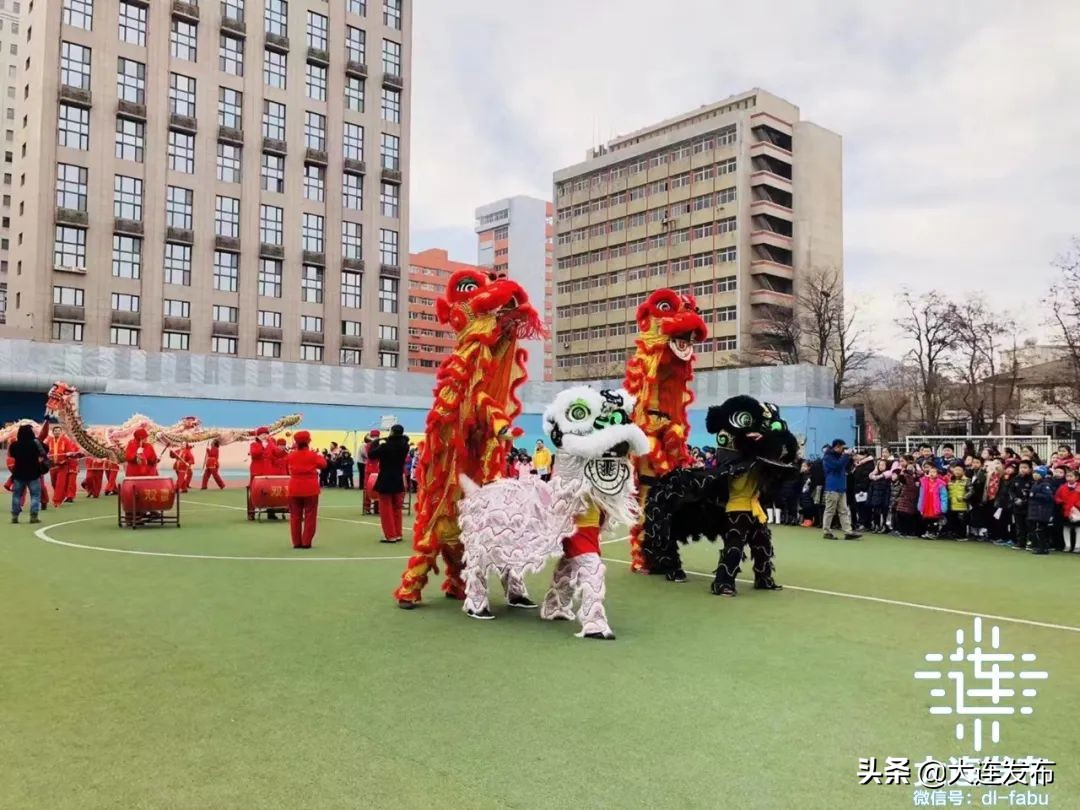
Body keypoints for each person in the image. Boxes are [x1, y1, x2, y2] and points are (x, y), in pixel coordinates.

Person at [369, 424, 410, 544]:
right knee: (397, 507)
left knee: (386, 508)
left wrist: (376, 441)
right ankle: (398, 533)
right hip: (398, 477)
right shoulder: (405, 446)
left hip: (386, 478)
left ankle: (390, 535)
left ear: (392, 432)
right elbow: (404, 440)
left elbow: (371, 455)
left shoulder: (385, 446)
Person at [285, 431, 327, 549]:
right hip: (310, 488)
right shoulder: (313, 455)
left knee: (295, 516)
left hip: (294, 487)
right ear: (308, 441)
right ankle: (306, 541)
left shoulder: (291, 455)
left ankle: (296, 542)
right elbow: (323, 464)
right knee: (310, 515)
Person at [7, 424, 47, 524]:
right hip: (34, 473)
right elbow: (45, 450)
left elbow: (11, 455)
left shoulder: (14, 445)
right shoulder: (36, 443)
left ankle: (15, 516)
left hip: (19, 473)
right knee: (35, 495)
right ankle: (33, 516)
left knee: (16, 495)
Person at [821, 438, 860, 540]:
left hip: (841, 487)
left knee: (844, 510)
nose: (843, 450)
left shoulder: (839, 456)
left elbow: (847, 466)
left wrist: (851, 457)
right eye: (842, 448)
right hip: (832, 487)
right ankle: (827, 531)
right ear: (837, 446)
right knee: (830, 510)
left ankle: (848, 531)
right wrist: (846, 455)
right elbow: (837, 466)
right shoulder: (828, 457)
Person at [1001, 461, 1034, 550]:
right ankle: (1020, 542)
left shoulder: (1032, 480)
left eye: (1025, 468)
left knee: (1029, 525)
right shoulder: (1016, 478)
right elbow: (1011, 490)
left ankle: (1030, 543)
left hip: (1028, 507)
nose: (1022, 470)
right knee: (1019, 525)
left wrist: (1024, 501)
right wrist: (1015, 499)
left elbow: (1032, 493)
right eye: (1021, 468)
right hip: (1017, 506)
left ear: (1030, 469)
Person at [46, 424, 79, 507]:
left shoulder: (65, 440)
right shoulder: (49, 440)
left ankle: (57, 501)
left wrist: (69, 453)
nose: (57, 432)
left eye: (58, 431)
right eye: (55, 431)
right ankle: (62, 495)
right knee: (53, 483)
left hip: (63, 465)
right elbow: (44, 449)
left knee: (60, 484)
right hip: (52, 465)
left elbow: (70, 452)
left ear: (61, 432)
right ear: (53, 432)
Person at [248, 426, 276, 520]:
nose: (265, 436)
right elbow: (255, 454)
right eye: (262, 434)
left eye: (266, 434)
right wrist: (262, 446)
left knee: (271, 492)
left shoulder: (270, 444)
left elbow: (276, 453)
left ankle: (271, 512)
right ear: (258, 436)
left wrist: (271, 443)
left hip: (268, 472)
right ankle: (252, 513)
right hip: (257, 472)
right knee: (254, 492)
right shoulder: (254, 444)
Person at [1027, 467, 1055, 556]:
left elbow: (1049, 497)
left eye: (1037, 473)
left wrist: (1035, 494)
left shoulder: (1045, 484)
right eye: (1034, 473)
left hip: (1042, 510)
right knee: (1036, 529)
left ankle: (1043, 548)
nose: (1034, 475)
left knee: (1041, 529)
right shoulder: (1035, 483)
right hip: (1035, 509)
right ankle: (1038, 546)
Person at [1054, 469, 1080, 553]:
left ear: (1077, 478)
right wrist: (1062, 502)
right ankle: (1067, 545)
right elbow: (1057, 497)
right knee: (1066, 528)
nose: (1069, 478)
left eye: (1071, 476)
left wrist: (1076, 506)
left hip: (1077, 511)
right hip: (1065, 511)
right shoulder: (1062, 487)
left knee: (1078, 529)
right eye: (1067, 476)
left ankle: (1077, 546)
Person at [918, 466, 948, 538]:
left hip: (935, 505)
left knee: (934, 519)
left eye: (934, 472)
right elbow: (921, 495)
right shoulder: (924, 482)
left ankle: (934, 533)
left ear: (937, 474)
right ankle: (928, 532)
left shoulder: (941, 484)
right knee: (927, 519)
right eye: (930, 472)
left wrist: (943, 507)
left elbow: (944, 496)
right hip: (927, 504)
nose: (932, 474)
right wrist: (920, 506)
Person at [867, 459, 893, 533]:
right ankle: (876, 525)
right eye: (879, 465)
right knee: (875, 513)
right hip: (875, 498)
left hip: (884, 499)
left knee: (883, 513)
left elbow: (888, 491)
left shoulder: (887, 478)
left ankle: (884, 526)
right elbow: (871, 489)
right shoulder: (874, 477)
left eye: (883, 465)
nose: (881, 467)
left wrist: (886, 500)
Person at [945, 463, 969, 540]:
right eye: (956, 470)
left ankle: (962, 535)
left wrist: (964, 497)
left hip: (962, 505)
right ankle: (954, 533)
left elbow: (971, 491)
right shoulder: (951, 481)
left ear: (963, 471)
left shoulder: (967, 480)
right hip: (951, 504)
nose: (957, 472)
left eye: (959, 470)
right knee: (953, 520)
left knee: (961, 521)